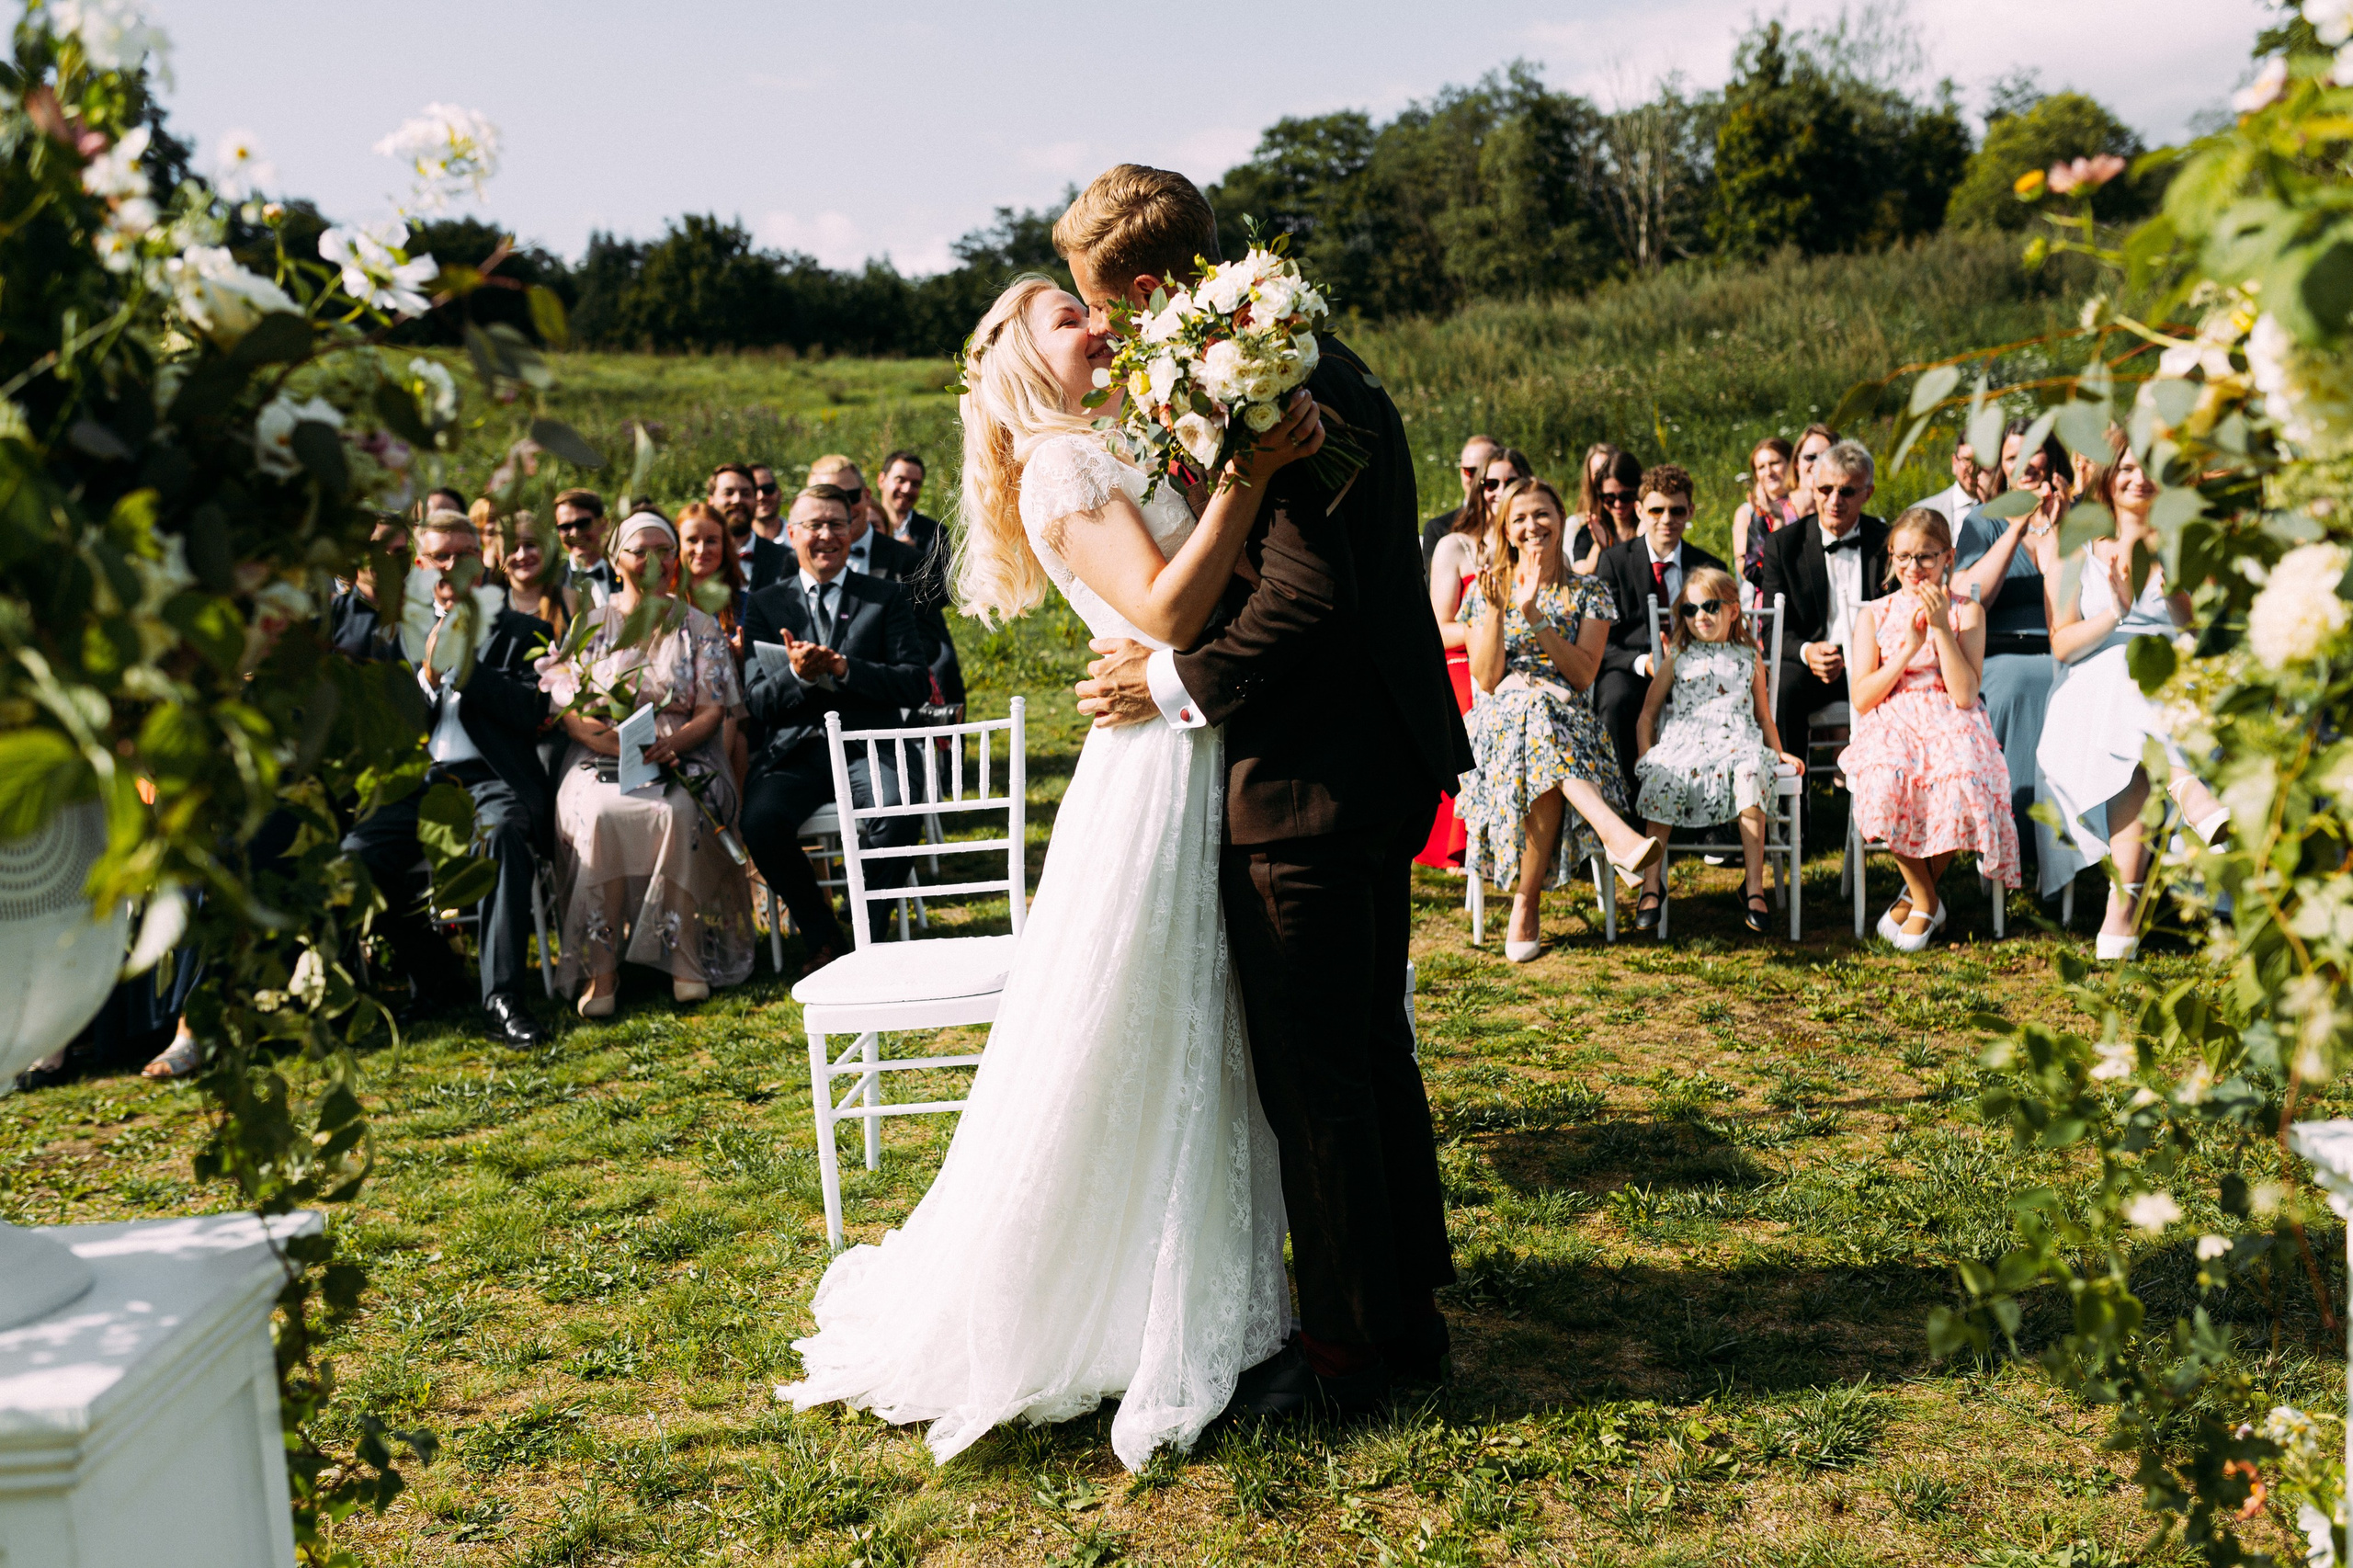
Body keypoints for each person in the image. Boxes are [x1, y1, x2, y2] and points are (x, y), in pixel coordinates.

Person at [778, 265, 1330, 1469]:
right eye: (1066, 315)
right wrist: (1247, 472)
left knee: (1199, 1031)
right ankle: (1105, 1301)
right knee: (1146, 1028)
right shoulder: (1061, 466)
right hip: (1158, 768)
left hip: (1195, 737)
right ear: (1022, 355)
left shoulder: (1120, 439)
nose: (1096, 323)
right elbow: (1170, 616)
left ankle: (1207, 1286)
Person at [1064, 165, 1472, 1422]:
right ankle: (1408, 1314)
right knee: (1369, 1057)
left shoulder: (1278, 384)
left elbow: (1307, 593)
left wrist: (1172, 678)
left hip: (1312, 782)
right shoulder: (1312, 359)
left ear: (1146, 289)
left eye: (1111, 310)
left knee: (1321, 1085)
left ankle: (1352, 1354)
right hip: (1367, 763)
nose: (1116, 336)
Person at [341, 511, 553, 1046]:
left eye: (465, 554)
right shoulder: (388, 633)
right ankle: (434, 976)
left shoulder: (525, 630)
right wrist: (430, 677)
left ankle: (503, 997)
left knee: (503, 836)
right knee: (355, 858)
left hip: (491, 779)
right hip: (415, 782)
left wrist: (467, 668)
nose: (454, 565)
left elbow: (530, 710)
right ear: (420, 565)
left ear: (482, 562)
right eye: (442, 556)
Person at [543, 509, 756, 1014]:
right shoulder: (589, 625)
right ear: (617, 561)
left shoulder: (698, 625)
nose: (654, 561)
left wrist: (676, 744)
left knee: (680, 813)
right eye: (641, 551)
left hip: (682, 754)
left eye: (665, 550)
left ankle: (685, 959)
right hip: (602, 755)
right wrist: (608, 744)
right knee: (599, 814)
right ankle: (602, 970)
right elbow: (568, 708)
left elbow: (713, 708)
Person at [2033, 439, 2230, 961]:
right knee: (2125, 676)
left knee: (2136, 726)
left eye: (2149, 469)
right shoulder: (2080, 550)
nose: (2138, 478)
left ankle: (2123, 911)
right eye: (2127, 468)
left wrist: (2174, 594)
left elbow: (2201, 631)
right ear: (2108, 479)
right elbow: (2062, 642)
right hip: (2092, 686)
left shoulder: (2183, 543)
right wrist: (2116, 614)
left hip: (2172, 681)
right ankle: (2189, 790)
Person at [1460, 476, 1663, 961]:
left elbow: (1581, 675)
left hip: (1570, 723)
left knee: (1544, 714)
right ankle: (1616, 835)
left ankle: (1525, 904)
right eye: (1521, 518)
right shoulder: (1487, 589)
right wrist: (1496, 612)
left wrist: (1534, 617)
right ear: (1506, 530)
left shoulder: (1589, 592)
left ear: (1560, 521)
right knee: (1531, 709)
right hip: (1497, 730)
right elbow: (1486, 680)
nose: (1533, 526)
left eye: (1543, 514)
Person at [736, 484, 931, 970]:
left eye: (837, 525)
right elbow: (758, 701)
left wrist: (844, 670)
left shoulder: (884, 597)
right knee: (760, 823)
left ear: (854, 529)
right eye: (814, 526)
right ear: (792, 534)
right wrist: (798, 677)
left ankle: (868, 930)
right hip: (798, 750)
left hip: (870, 743)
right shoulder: (764, 604)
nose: (826, 535)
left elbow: (914, 685)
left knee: (899, 810)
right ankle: (822, 932)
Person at [1838, 507, 2020, 950]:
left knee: (1963, 780)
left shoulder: (1967, 611)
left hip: (1951, 715)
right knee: (1885, 777)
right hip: (1893, 712)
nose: (1913, 569)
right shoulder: (1874, 614)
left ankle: (1914, 900)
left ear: (1948, 558)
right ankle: (1925, 897)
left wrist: (1940, 629)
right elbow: (1863, 697)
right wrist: (1907, 651)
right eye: (1902, 558)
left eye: (1925, 557)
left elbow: (1964, 693)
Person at [1632, 568, 1802, 935]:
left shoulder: (1748, 655)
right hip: (1686, 741)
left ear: (1733, 610)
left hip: (1738, 740)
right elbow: (1647, 714)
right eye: (1690, 610)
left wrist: (1780, 752)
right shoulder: (1677, 656)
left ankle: (1753, 887)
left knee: (1750, 773)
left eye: (1709, 606)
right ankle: (1651, 885)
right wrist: (1646, 754)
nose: (1700, 617)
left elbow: (1763, 714)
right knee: (1663, 774)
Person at [1951, 418, 2066, 890]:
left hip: (2070, 649)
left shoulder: (2079, 518)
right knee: (2021, 684)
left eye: (2033, 453)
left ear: (2051, 458)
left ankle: (2069, 851)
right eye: (2011, 455)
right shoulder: (1984, 520)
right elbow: (1966, 593)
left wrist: (2056, 525)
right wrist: (2016, 528)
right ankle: (2012, 845)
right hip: (2002, 654)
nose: (2022, 464)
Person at [1593, 462, 1728, 800]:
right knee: (1615, 699)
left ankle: (1711, 816)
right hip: (1633, 665)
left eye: (1676, 510)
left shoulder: (1709, 566)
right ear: (1639, 510)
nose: (1666, 519)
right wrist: (1645, 663)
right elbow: (1603, 639)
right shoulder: (1614, 562)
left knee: (1724, 700)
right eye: (1656, 510)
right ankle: (1629, 807)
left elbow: (1725, 632)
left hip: (1696, 664)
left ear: (1690, 511)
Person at [1759, 438, 1891, 773]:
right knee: (1784, 687)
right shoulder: (1783, 545)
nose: (1834, 501)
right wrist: (1807, 651)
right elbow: (1773, 627)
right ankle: (1792, 803)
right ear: (1813, 489)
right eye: (1826, 489)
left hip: (1874, 664)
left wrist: (1863, 658)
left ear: (1868, 493)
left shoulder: (1887, 541)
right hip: (1813, 662)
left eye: (1847, 491)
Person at [1418, 445, 1500, 869]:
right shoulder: (1453, 543)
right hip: (1465, 661)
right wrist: (1483, 635)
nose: (1498, 492)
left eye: (1509, 483)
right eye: (1490, 483)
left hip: (1520, 668)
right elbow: (1437, 626)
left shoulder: (1535, 546)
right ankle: (1461, 841)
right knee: (1469, 705)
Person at [878, 449, 967, 708]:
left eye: (915, 484)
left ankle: (951, 745)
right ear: (882, 480)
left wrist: (912, 559)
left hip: (922, 626)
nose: (907, 489)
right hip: (871, 622)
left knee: (946, 669)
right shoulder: (865, 526)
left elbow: (942, 594)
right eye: (901, 480)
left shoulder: (933, 532)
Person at [679, 501, 752, 787]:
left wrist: (742, 658)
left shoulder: (744, 605)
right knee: (740, 745)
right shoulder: (665, 606)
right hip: (677, 708)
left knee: (735, 729)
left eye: (711, 540)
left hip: (732, 711)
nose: (701, 549)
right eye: (692, 540)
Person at [476, 502, 574, 643]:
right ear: (499, 557)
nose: (522, 555)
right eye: (512, 548)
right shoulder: (485, 607)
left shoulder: (572, 601)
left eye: (530, 545)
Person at [1732, 437, 1798, 604]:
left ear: (1791, 464)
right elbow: (1743, 569)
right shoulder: (1747, 512)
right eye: (1761, 467)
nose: (1769, 472)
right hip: (1760, 599)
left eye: (1775, 463)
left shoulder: (1804, 505)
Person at [1421, 434, 1498, 571]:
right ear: (1461, 471)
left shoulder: (1519, 525)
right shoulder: (1439, 529)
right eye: (1470, 471)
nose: (1478, 480)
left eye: (1485, 472)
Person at [712, 462, 790, 592]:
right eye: (728, 493)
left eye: (745, 493)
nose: (737, 500)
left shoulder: (786, 559)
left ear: (755, 499)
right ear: (711, 500)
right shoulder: (701, 556)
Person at [1568, 445, 1638, 575]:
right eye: (1609, 497)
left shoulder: (1649, 527)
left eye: (1626, 497)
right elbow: (1579, 574)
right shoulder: (1588, 530)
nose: (1617, 504)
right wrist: (1599, 546)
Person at [553, 488, 616, 608]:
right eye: (565, 527)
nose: (574, 534)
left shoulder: (626, 573)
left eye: (583, 524)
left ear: (603, 523)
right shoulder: (552, 584)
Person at [1786, 422, 1839, 525]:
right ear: (1796, 463)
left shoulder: (1841, 511)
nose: (1817, 464)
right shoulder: (1771, 512)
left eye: (1826, 458)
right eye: (1810, 457)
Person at [749, 461, 787, 541]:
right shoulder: (732, 546)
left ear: (780, 493)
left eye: (768, 489)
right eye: (754, 491)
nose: (761, 496)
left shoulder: (800, 538)